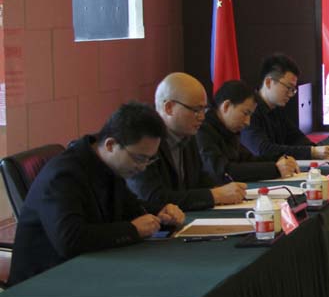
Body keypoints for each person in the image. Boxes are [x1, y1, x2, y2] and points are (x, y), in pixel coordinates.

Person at [9, 103, 186, 285]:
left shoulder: (109, 166)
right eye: (139, 158)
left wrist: (161, 212)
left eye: (149, 159)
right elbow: (70, 240)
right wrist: (132, 230)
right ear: (110, 145)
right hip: (45, 284)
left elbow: (130, 208)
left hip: (89, 271)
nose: (142, 168)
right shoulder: (63, 175)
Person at [127, 73, 246, 210]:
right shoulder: (144, 140)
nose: (202, 117)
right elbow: (153, 198)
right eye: (196, 110)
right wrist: (214, 195)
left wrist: (222, 189)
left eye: (204, 109)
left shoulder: (188, 133)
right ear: (169, 108)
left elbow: (200, 181)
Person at [240, 54, 329, 161]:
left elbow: (296, 138)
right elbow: (263, 150)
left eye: (293, 90)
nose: (291, 94)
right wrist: (311, 152)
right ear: (268, 82)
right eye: (288, 87)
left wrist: (318, 150)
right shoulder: (250, 111)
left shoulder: (276, 109)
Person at [198, 79, 300, 182]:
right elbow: (222, 172)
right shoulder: (201, 130)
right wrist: (275, 169)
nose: (248, 122)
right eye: (245, 113)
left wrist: (278, 159)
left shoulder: (228, 131)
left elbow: (248, 159)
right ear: (226, 106)